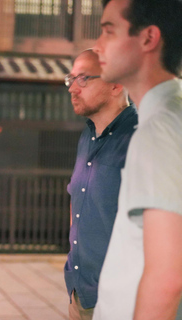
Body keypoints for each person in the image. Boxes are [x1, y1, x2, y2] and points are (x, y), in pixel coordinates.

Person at [92, 0, 182, 319]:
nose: (97, 45)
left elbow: (167, 279)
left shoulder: (159, 129)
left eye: (108, 31)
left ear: (148, 38)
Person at [64, 49, 137, 320]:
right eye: (70, 79)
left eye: (83, 79)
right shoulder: (87, 135)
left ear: (116, 84)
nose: (72, 88)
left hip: (124, 300)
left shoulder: (142, 136)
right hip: (81, 292)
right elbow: (77, 197)